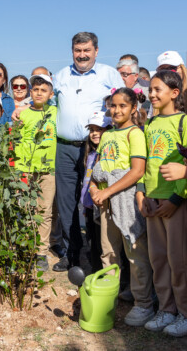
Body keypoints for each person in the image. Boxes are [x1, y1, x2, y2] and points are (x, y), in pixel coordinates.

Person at [53, 32, 125, 272]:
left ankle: (98, 257)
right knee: (65, 203)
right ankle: (71, 254)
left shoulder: (109, 75)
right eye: (77, 50)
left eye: (86, 50)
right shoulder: (61, 76)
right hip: (64, 147)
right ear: (72, 51)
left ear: (96, 51)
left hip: (96, 148)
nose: (82, 55)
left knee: (96, 201)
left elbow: (123, 105)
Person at [141, 70, 187, 337]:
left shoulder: (186, 122)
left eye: (157, 90)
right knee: (158, 259)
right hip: (151, 203)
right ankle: (166, 310)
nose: (151, 95)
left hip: (174, 203)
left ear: (174, 93)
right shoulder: (150, 124)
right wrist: (142, 195)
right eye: (150, 90)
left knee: (178, 260)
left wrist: (176, 199)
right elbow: (145, 165)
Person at [90, 88, 154, 328]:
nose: (116, 110)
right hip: (106, 203)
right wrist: (96, 189)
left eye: (122, 106)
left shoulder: (135, 134)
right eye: (113, 106)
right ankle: (110, 297)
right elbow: (98, 168)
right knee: (109, 252)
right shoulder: (107, 135)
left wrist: (107, 191)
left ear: (133, 108)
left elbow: (137, 171)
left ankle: (144, 303)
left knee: (135, 253)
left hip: (125, 202)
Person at [14, 74, 57, 272]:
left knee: (44, 211)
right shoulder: (22, 114)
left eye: (44, 90)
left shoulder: (56, 112)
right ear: (31, 92)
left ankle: (41, 251)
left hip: (47, 170)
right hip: (25, 168)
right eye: (36, 90)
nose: (39, 93)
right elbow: (16, 140)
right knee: (26, 210)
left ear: (51, 94)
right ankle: (26, 247)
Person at [79, 112, 110, 273]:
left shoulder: (106, 154)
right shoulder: (90, 154)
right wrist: (84, 207)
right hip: (89, 207)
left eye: (99, 129)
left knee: (101, 242)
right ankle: (95, 273)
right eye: (92, 129)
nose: (95, 133)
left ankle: (102, 274)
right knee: (91, 242)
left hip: (100, 204)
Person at [155, 51, 187, 120]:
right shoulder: (156, 98)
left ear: (182, 69)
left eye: (172, 67)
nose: (169, 72)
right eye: (163, 70)